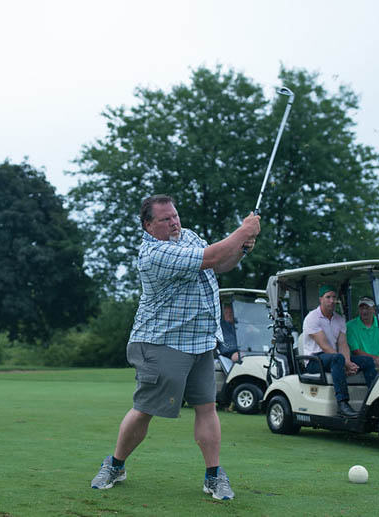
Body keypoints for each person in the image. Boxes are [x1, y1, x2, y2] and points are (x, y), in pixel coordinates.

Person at [90, 194, 260, 501]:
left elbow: (220, 263)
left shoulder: (189, 237)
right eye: (165, 219)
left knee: (207, 408)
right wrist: (243, 231)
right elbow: (210, 257)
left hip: (200, 340)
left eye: (175, 215)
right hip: (161, 342)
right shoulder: (153, 253)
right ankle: (115, 464)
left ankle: (213, 475)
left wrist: (242, 249)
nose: (174, 222)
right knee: (145, 410)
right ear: (148, 225)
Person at [301, 285, 377, 418]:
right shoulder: (312, 318)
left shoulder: (339, 319)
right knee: (338, 358)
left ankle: (374, 402)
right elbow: (324, 346)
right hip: (314, 361)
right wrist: (345, 364)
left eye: (334, 297)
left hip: (334, 358)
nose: (331, 300)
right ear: (321, 299)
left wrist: (348, 362)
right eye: (328, 297)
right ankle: (342, 404)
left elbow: (343, 344)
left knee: (368, 361)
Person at [346, 296, 379, 372]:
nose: (364, 311)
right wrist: (376, 359)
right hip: (363, 363)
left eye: (367, 308)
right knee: (368, 362)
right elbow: (356, 351)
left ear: (374, 309)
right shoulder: (350, 326)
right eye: (362, 308)